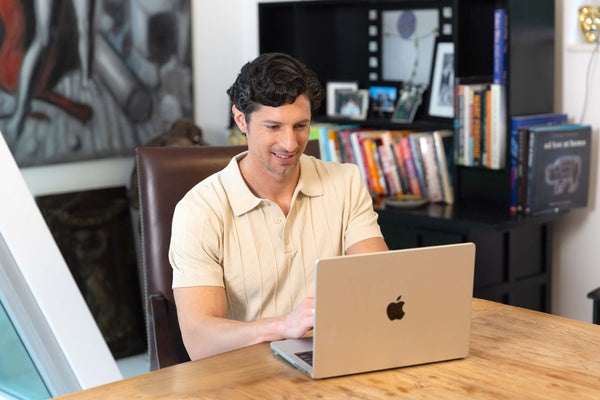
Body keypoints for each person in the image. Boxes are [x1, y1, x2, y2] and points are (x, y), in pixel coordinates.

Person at [169, 52, 388, 360]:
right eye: (273, 126)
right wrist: (285, 326)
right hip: (244, 373)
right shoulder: (199, 210)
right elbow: (199, 340)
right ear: (241, 119)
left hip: (336, 357)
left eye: (301, 126)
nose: (290, 143)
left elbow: (382, 286)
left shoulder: (346, 182)